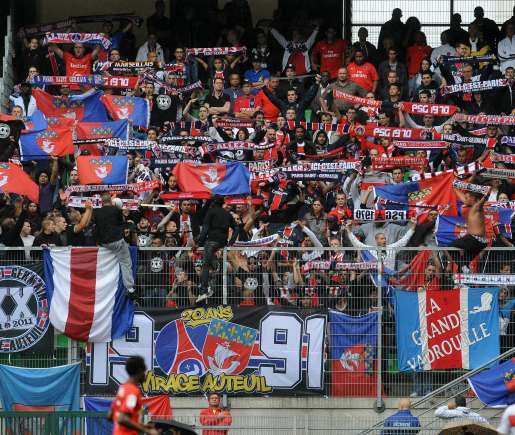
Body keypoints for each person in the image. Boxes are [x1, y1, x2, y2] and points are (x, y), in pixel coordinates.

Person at [193, 195, 238, 302]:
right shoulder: (227, 214)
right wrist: (230, 243)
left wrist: (198, 243)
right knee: (212, 262)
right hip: (223, 242)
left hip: (212, 241)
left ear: (213, 203)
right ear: (222, 203)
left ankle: (204, 291)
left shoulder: (211, 212)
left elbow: (205, 229)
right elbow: (236, 229)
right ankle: (211, 284)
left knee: (205, 265)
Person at [93, 193, 136, 298]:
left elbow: (96, 228)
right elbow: (121, 224)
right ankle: (130, 289)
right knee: (126, 263)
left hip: (104, 244)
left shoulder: (97, 212)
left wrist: (98, 242)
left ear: (101, 202)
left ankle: (101, 287)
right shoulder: (116, 210)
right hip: (117, 242)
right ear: (111, 202)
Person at [108, 356, 158, 435]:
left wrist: (142, 426)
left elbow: (110, 416)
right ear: (139, 371)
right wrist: (147, 431)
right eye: (144, 371)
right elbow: (122, 419)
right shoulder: (133, 392)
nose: (145, 374)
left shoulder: (123, 388)